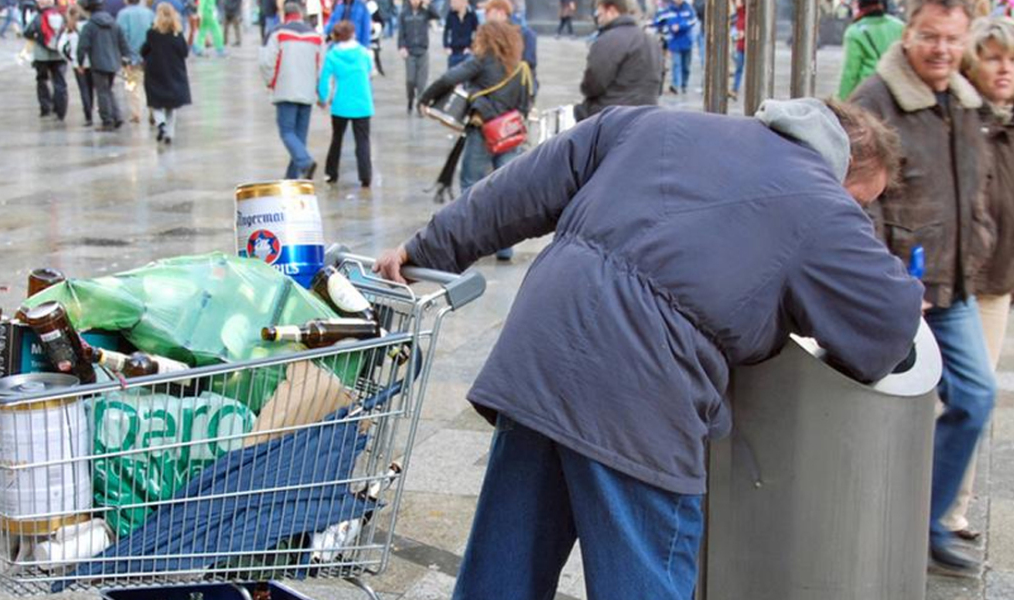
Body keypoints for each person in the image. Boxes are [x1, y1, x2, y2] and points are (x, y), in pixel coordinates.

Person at [373, 98, 921, 599]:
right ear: (841, 165)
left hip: (540, 354)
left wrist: (426, 248)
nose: (860, 218)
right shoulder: (824, 205)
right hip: (642, 394)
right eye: (862, 202)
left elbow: (523, 186)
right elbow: (890, 330)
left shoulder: (655, 122)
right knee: (643, 578)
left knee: (503, 572)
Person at [851, 0, 996, 577]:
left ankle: (926, 522)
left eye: (952, 40)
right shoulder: (875, 101)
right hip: (898, 290)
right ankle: (872, 522)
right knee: (876, 414)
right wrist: (887, 280)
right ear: (907, 35)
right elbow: (859, 202)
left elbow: (974, 189)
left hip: (951, 284)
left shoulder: (961, 99)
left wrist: (978, 239)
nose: (941, 49)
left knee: (977, 396)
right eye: (930, 37)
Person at [940, 13, 1014, 547]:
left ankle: (948, 512)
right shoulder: (963, 116)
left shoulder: (1007, 122)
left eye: (1012, 60)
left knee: (975, 397)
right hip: (956, 280)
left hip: (996, 281)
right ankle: (936, 510)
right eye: (993, 57)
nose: (1005, 69)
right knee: (964, 396)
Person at [419, 20, 532, 260]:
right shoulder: (520, 66)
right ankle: (505, 248)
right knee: (506, 190)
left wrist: (426, 98)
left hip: (483, 131)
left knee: (471, 184)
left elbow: (449, 79)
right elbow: (525, 102)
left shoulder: (483, 60)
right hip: (510, 135)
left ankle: (469, 243)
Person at [259, 0, 321, 177]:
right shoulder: (315, 35)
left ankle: (305, 163)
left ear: (284, 15)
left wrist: (271, 82)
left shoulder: (276, 33)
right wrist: (320, 91)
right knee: (299, 137)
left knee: (287, 132)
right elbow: (320, 65)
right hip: (307, 92)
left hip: (285, 90)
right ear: (301, 14)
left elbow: (266, 62)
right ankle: (292, 179)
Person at [574, 0, 658, 121]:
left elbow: (593, 85)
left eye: (600, 11)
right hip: (647, 117)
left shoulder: (608, 40)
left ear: (611, 10)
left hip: (610, 116)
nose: (598, 16)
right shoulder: (652, 41)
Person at [319, 20, 374, 186]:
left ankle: (331, 172)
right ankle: (365, 176)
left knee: (336, 140)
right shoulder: (364, 53)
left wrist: (323, 98)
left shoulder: (332, 55)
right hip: (362, 103)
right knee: (362, 142)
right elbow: (370, 71)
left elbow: (324, 80)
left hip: (341, 103)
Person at [77, 0, 132, 131]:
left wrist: (80, 63)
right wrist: (126, 59)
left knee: (102, 92)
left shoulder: (90, 26)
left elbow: (82, 46)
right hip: (114, 62)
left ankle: (107, 121)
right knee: (108, 90)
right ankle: (117, 116)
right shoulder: (114, 23)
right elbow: (123, 43)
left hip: (98, 63)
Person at [141, 1, 190, 143]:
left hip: (155, 73)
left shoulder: (152, 33)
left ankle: (160, 124)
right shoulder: (177, 33)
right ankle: (170, 133)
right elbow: (184, 52)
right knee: (171, 105)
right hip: (173, 72)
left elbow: (144, 50)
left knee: (156, 103)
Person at [838, 0, 905, 99]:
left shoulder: (855, 31)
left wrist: (840, 101)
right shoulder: (900, 26)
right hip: (897, 92)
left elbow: (850, 73)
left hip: (868, 95)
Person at [25, 0, 69, 120]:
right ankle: (61, 111)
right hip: (59, 55)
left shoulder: (36, 16)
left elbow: (27, 32)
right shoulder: (61, 15)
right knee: (60, 83)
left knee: (42, 80)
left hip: (41, 56)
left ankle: (46, 108)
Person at [398, 0, 438, 113]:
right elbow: (401, 32)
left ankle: (420, 105)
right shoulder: (404, 14)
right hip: (410, 51)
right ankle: (410, 98)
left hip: (423, 50)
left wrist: (428, 4)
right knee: (410, 80)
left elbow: (437, 15)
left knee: (422, 83)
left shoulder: (425, 12)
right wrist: (401, 47)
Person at [117, 0, 154, 122]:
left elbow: (121, 36)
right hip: (149, 56)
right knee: (150, 84)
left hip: (130, 57)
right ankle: (153, 110)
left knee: (132, 86)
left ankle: (136, 113)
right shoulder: (148, 13)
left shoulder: (123, 14)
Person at [484, 0, 535, 85]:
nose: (486, 17)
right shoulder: (486, 33)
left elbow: (528, 65)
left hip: (514, 82)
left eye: (487, 13)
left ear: (500, 13)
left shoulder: (525, 35)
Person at [62, 3, 95, 125]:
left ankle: (88, 115)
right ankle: (92, 108)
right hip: (91, 61)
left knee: (84, 89)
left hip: (77, 64)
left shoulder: (69, 29)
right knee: (91, 88)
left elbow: (62, 47)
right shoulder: (89, 25)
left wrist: (70, 59)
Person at [655, 0, 696, 95]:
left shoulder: (688, 9)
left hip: (686, 42)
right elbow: (659, 20)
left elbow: (692, 21)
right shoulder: (668, 10)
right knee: (676, 64)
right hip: (674, 42)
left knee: (686, 66)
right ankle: (675, 85)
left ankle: (684, 85)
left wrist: (680, 26)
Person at [444, 0, 477, 66]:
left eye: (454, 2)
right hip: (453, 51)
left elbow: (476, 32)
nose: (451, 4)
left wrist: (471, 47)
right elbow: (446, 31)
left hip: (466, 51)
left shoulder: (471, 15)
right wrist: (446, 46)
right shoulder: (451, 14)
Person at [730, 0, 745, 100]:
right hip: (740, 45)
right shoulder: (738, 13)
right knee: (738, 68)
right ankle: (734, 89)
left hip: (746, 45)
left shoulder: (747, 13)